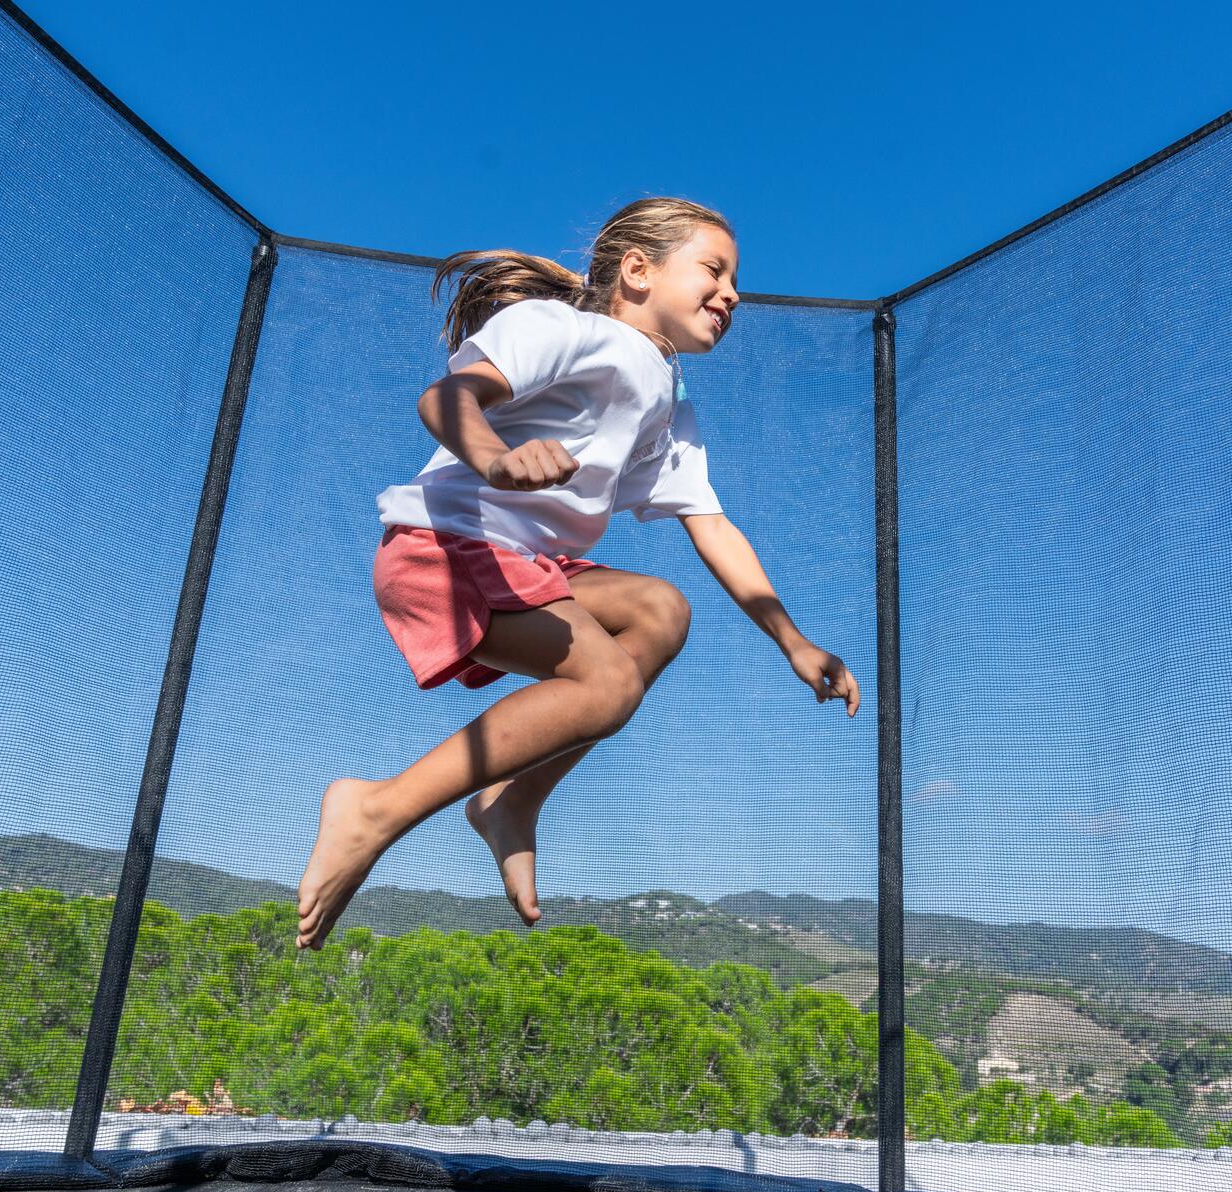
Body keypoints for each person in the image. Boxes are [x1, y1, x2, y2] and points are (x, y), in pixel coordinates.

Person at [295, 197, 861, 951]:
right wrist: (495, 456)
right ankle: (375, 808)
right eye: (714, 270)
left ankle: (511, 801)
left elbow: (712, 524)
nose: (733, 294)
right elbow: (448, 397)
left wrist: (792, 640)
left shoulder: (667, 398)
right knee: (607, 684)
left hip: (528, 562)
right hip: (447, 545)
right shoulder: (562, 329)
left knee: (660, 611)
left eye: (736, 281)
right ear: (637, 271)